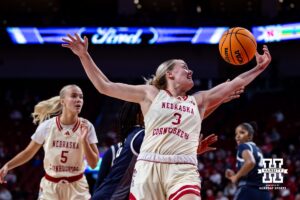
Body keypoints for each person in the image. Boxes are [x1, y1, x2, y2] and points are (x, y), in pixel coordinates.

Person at [62, 33, 271, 200]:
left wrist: (259, 67)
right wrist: (84, 56)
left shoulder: (199, 100)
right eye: (185, 67)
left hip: (182, 168)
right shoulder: (150, 94)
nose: (190, 71)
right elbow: (104, 86)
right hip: (148, 167)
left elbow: (235, 82)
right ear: (169, 74)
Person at [93, 102, 220, 200]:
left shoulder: (135, 138)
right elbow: (186, 122)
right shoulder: (142, 135)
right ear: (140, 115)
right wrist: (220, 99)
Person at [0, 84, 99, 200]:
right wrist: (8, 165)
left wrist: (84, 141)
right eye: (73, 96)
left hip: (77, 186)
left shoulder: (87, 126)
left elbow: (93, 164)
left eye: (81, 97)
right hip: (50, 186)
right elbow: (28, 152)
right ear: (62, 101)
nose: (78, 100)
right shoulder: (47, 126)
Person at [225, 122, 271, 200]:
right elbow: (253, 171)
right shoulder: (258, 150)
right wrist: (237, 174)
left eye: (242, 133)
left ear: (249, 136)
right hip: (264, 193)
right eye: (236, 134)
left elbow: (250, 162)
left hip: (249, 190)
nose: (238, 136)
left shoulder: (243, 146)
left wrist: (236, 176)